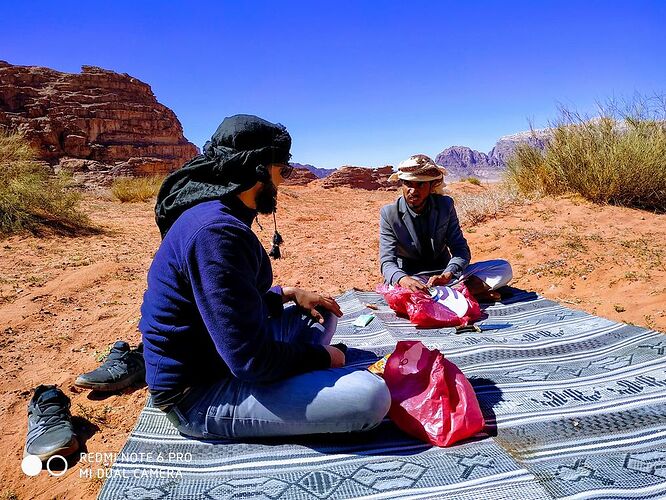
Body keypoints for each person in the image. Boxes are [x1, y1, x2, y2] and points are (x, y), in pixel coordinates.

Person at [140, 114, 390, 440]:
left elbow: (226, 305)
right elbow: (249, 360)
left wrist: (287, 293)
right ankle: (295, 384)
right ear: (258, 170)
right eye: (282, 171)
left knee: (319, 315)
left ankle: (293, 380)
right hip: (196, 391)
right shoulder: (216, 233)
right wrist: (324, 357)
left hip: (217, 352)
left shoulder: (219, 214)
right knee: (370, 398)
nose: (283, 182)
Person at [379, 154, 512, 301]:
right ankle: (461, 295)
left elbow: (460, 248)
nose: (413, 190)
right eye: (408, 184)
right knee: (394, 292)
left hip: (444, 276)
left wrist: (448, 273)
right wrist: (403, 279)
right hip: (412, 278)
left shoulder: (445, 206)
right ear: (402, 184)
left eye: (420, 184)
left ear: (432, 186)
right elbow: (387, 262)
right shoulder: (389, 213)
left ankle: (441, 296)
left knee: (503, 268)